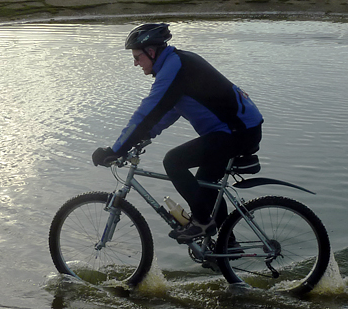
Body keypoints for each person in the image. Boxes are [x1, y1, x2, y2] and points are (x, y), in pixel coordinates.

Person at [92, 23, 264, 242]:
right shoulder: (176, 63)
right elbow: (169, 111)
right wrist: (144, 137)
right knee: (204, 185)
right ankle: (226, 248)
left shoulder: (174, 68)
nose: (135, 63)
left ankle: (202, 223)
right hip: (239, 129)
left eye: (137, 57)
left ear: (151, 52)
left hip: (237, 131)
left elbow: (147, 112)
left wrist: (116, 149)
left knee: (173, 161)